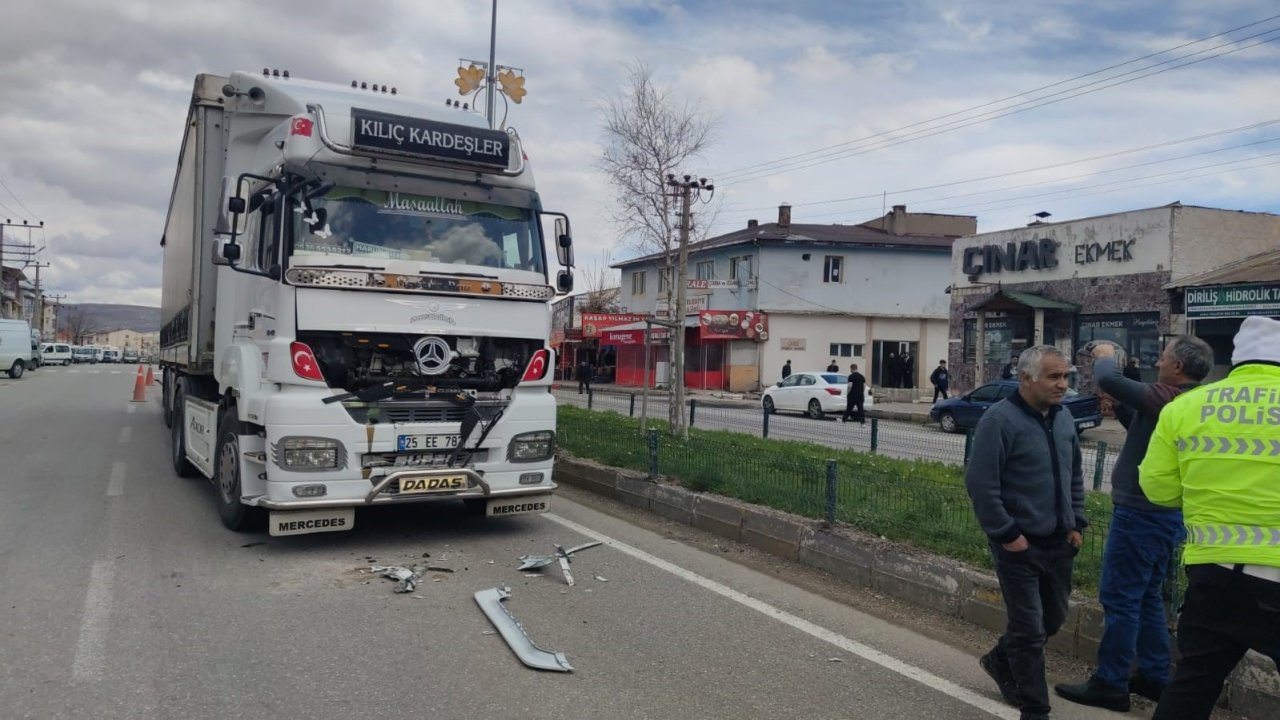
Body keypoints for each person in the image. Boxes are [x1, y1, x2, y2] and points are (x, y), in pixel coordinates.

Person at [1054, 335, 1214, 713]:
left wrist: (1105, 355)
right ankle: (1155, 676)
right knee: (1146, 599)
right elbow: (1142, 424)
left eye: (1163, 357)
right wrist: (1123, 407)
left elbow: (1108, 378)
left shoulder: (1172, 396)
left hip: (1142, 514)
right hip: (1164, 515)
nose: (1158, 361)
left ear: (1178, 367)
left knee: (1120, 598)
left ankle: (1110, 682)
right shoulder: (1188, 402)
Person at [1139, 316, 1280, 720]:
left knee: (1192, 687)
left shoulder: (1187, 406)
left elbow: (1158, 489)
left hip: (1214, 575)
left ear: (1237, 358)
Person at [965, 345, 1086, 720]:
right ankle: (1036, 710)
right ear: (1026, 378)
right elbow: (981, 484)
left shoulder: (1064, 419)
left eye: (1065, 376)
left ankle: (1001, 659)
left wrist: (1076, 522)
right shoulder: (999, 421)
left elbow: (1075, 475)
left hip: (1059, 541)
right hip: (1017, 544)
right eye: (1054, 376)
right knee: (1030, 630)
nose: (1062, 384)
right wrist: (1006, 533)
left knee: (1051, 621)